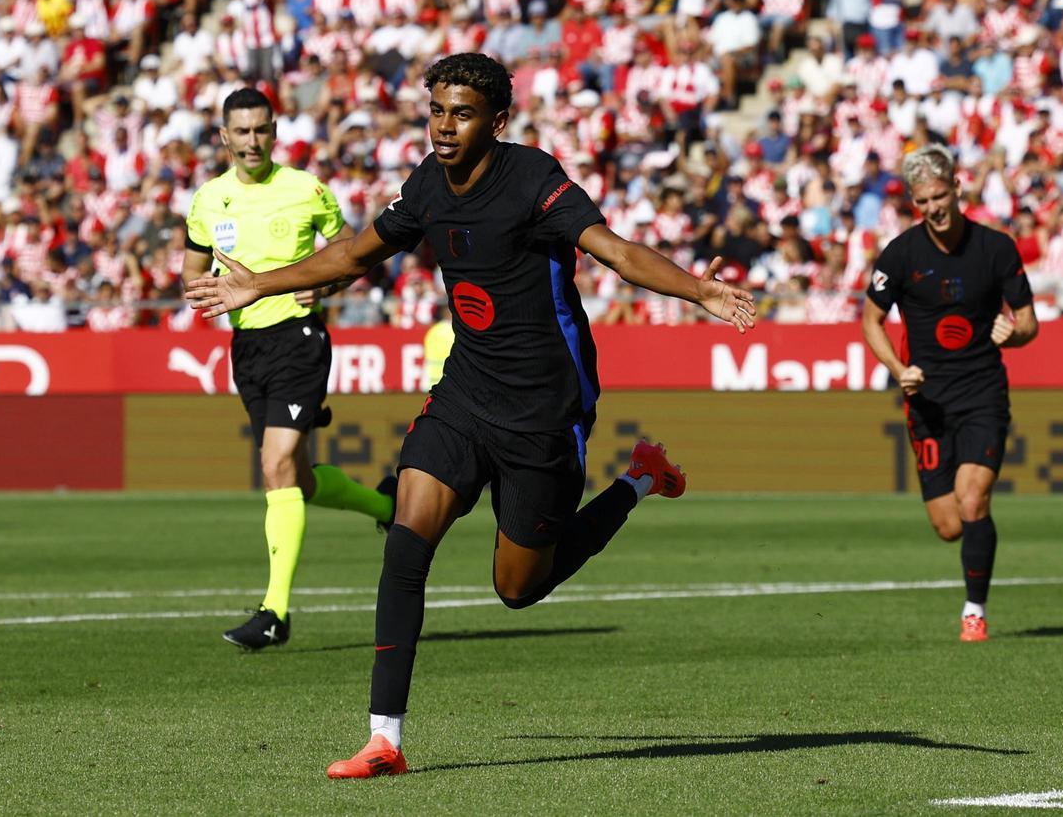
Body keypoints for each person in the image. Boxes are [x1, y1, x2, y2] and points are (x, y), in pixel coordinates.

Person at [185, 54, 756, 776]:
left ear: (497, 121)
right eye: (437, 112)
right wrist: (259, 285)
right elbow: (359, 251)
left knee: (519, 588)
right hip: (465, 392)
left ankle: (640, 480)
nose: (444, 126)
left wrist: (695, 291)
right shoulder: (427, 183)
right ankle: (384, 740)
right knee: (405, 541)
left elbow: (615, 251)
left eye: (461, 113)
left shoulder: (533, 178)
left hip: (544, 408)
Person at [181, 87, 396, 651]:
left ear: (274, 133)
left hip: (300, 339)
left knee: (274, 465)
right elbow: (191, 268)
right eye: (242, 131)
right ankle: (386, 505)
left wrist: (325, 284)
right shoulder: (208, 199)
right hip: (247, 348)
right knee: (295, 478)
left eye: (262, 129)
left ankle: (274, 612)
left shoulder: (306, 190)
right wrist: (199, 288)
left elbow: (353, 250)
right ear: (223, 136)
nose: (253, 141)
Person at [861, 144, 1038, 644]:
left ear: (957, 189)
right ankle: (973, 548)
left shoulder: (996, 248)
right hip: (928, 402)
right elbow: (870, 321)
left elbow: (1029, 323)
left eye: (939, 196)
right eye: (922, 201)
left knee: (973, 499)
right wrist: (898, 369)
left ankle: (974, 611)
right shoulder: (900, 254)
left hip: (983, 392)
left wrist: (1015, 333)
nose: (933, 208)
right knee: (948, 524)